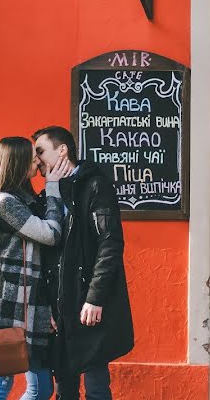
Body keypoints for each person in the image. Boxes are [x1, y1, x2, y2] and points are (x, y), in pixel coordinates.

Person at [32, 126, 134, 400]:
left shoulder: (95, 185)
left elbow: (110, 243)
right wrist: (45, 306)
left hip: (87, 302)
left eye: (41, 151)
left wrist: (95, 297)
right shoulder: (48, 194)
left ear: (62, 150)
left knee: (96, 386)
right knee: (64, 388)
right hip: (59, 305)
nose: (37, 160)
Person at [0, 136, 71, 400]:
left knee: (41, 388)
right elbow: (50, 234)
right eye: (32, 158)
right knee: (1, 383)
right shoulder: (5, 202)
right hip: (8, 301)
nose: (37, 161)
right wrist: (52, 188)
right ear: (17, 163)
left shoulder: (26, 198)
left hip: (33, 301)